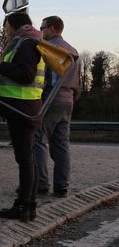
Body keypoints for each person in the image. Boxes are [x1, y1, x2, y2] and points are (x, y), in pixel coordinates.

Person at [0, 11, 45, 222]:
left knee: (24, 159)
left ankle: (25, 206)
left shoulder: (25, 43)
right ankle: (27, 205)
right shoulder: (33, 41)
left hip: (21, 107)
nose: (5, 30)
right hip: (27, 106)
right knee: (27, 158)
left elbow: (27, 75)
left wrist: (1, 66)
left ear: (14, 25)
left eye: (6, 26)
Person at [33, 16, 81, 198]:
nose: (40, 30)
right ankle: (62, 186)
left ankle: (41, 184)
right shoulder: (73, 50)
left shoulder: (49, 49)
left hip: (51, 98)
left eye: (42, 27)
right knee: (61, 143)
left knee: (38, 139)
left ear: (52, 28)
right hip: (68, 99)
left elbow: (46, 78)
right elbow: (79, 82)